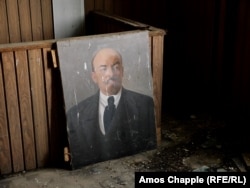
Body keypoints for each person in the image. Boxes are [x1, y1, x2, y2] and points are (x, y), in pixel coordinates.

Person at [67, 48, 156, 169]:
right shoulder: (75, 114)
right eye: (103, 68)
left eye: (116, 67)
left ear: (122, 71)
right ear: (94, 77)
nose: (110, 73)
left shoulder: (145, 105)